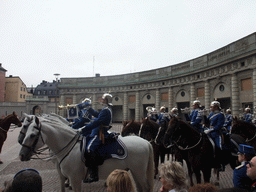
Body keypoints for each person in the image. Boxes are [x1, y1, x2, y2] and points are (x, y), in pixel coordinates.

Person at [78, 93, 112, 183]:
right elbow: (97, 115)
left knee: (89, 149)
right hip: (97, 131)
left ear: (107, 101)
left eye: (103, 99)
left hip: (100, 133)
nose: (101, 101)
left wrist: (84, 128)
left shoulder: (106, 110)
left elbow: (97, 122)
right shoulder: (105, 109)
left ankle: (94, 174)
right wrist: (89, 109)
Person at [204, 99, 226, 170]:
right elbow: (207, 121)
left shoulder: (221, 115)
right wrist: (204, 115)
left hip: (217, 133)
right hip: (210, 132)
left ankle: (221, 163)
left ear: (216, 107)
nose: (210, 108)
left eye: (212, 107)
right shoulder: (211, 114)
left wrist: (211, 129)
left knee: (218, 146)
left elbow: (219, 125)